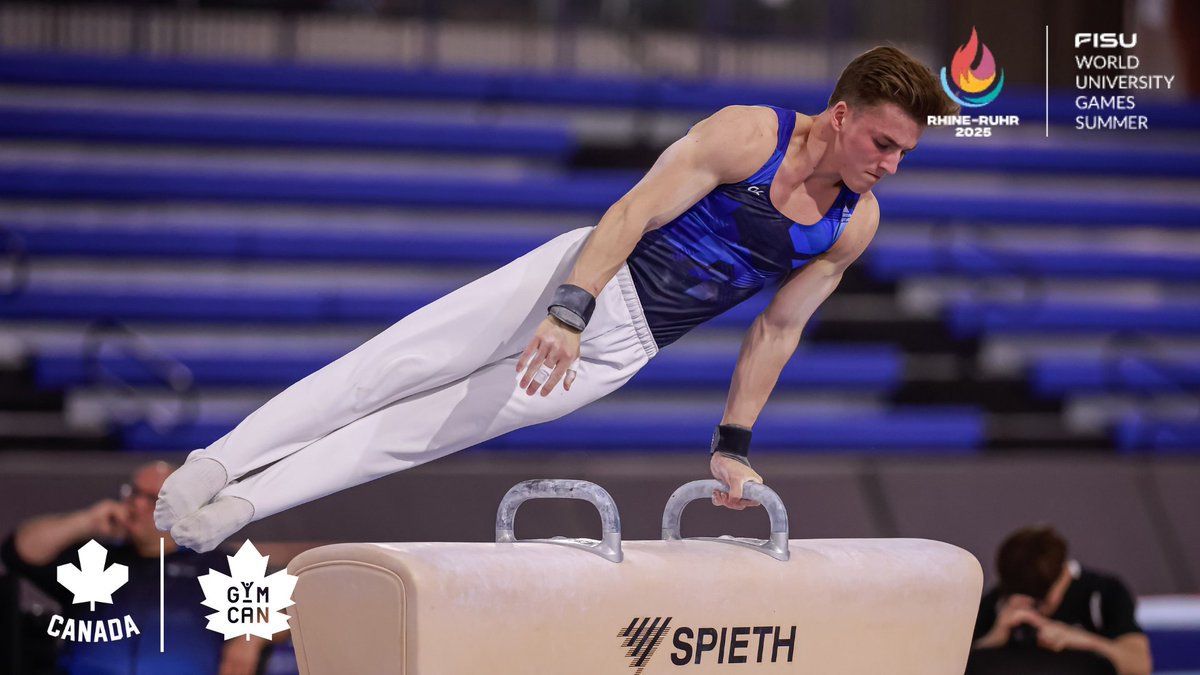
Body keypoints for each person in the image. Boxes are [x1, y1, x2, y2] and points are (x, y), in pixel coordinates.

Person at [154, 46, 957, 553]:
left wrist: (733, 442)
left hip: (623, 348)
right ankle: (215, 463)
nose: (889, 165)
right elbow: (632, 212)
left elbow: (777, 330)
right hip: (576, 278)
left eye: (905, 154)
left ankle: (243, 505)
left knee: (416, 434)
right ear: (843, 114)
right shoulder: (749, 134)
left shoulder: (855, 224)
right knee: (389, 369)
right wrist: (568, 309)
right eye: (883, 143)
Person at [0, 462, 272, 675]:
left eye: (152, 497)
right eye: (133, 493)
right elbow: (21, 550)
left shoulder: (215, 564)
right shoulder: (97, 560)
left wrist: (252, 636)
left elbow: (283, 606)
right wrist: (86, 522)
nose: (137, 504)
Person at [969, 525, 1153, 675]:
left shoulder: (1101, 595)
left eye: (1041, 601)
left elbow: (1140, 664)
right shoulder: (998, 602)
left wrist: (1079, 639)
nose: (1035, 611)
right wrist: (993, 638)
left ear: (1064, 573)